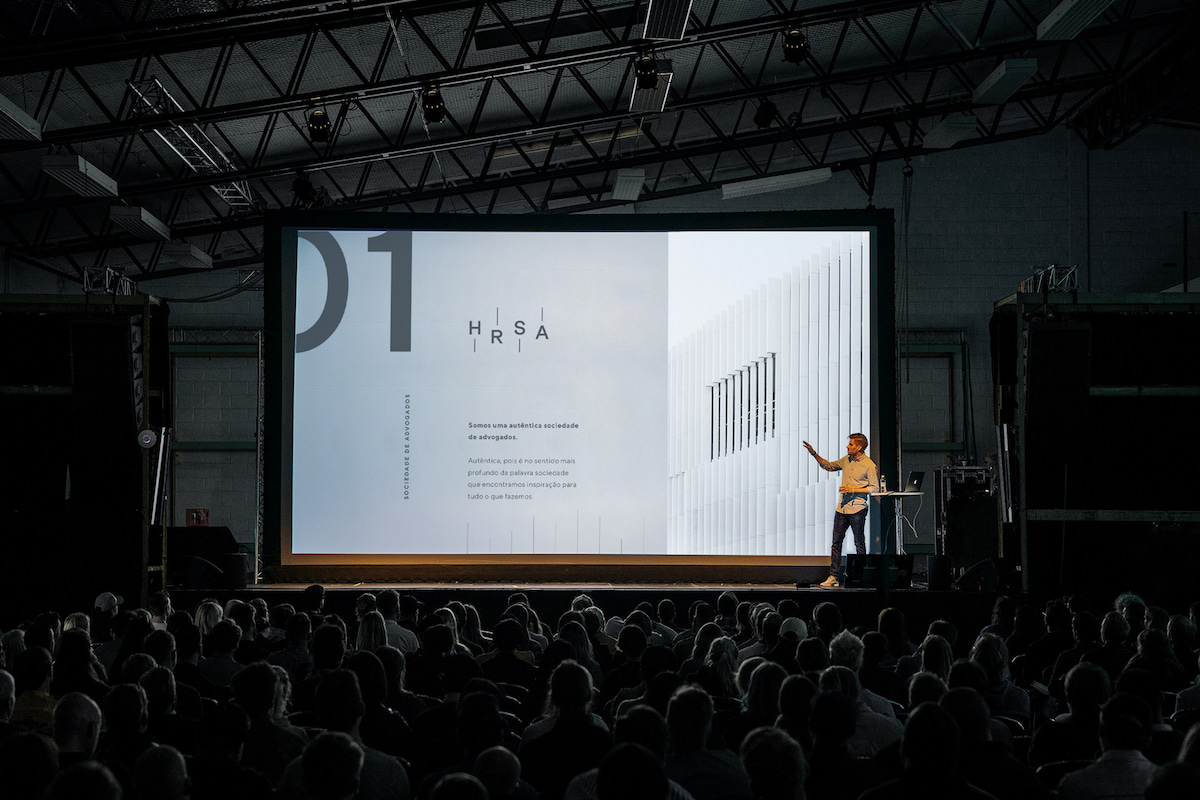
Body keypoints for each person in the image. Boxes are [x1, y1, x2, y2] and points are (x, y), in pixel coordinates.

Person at [803, 433, 880, 588]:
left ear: (859, 447)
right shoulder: (847, 460)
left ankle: (860, 577)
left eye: (851, 444)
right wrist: (814, 453)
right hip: (842, 509)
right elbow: (829, 466)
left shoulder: (869, 465)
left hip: (857, 508)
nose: (847, 446)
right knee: (836, 543)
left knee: (859, 543)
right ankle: (833, 576)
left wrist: (853, 489)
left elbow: (875, 488)